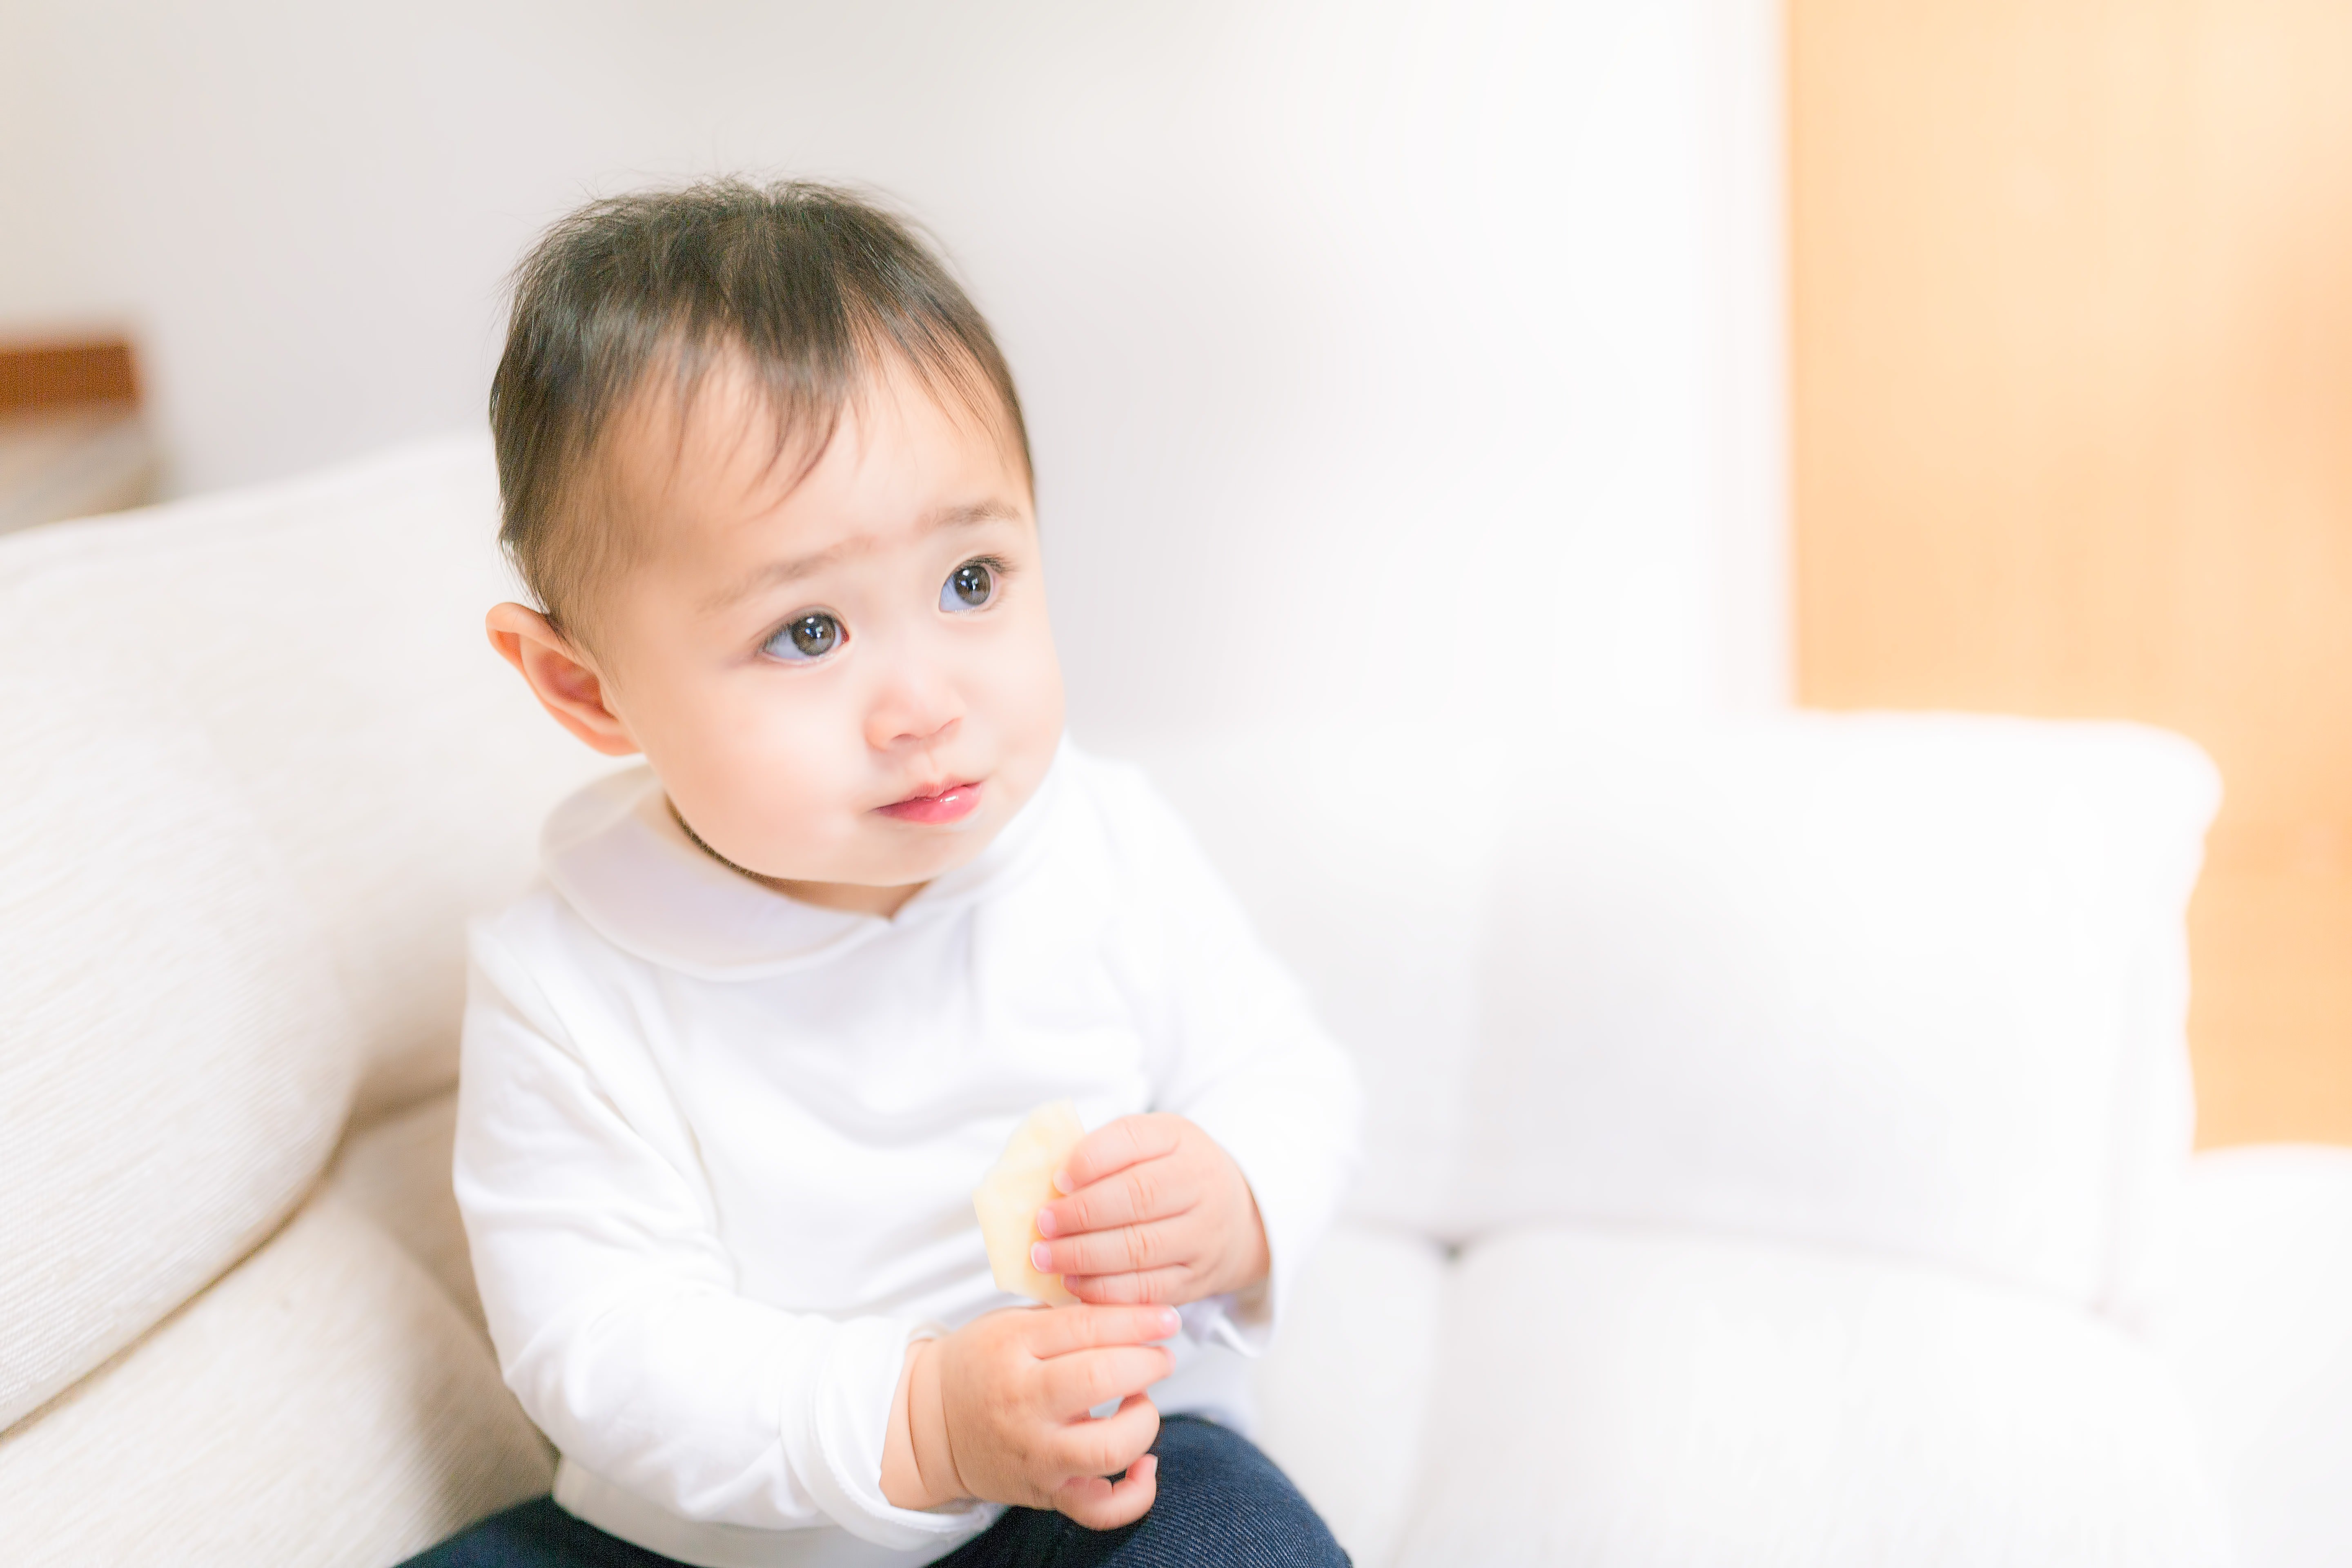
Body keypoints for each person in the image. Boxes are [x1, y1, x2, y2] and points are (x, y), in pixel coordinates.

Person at [404, 179, 1360, 1568]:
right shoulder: (568, 980)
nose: (924, 701)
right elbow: (600, 1346)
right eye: (807, 632)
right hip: (720, 1540)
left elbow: (1286, 1072)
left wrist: (1233, 1196)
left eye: (972, 582)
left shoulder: (1100, 842)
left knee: (1229, 1541)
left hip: (1095, 1479)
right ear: (585, 686)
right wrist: (916, 1420)